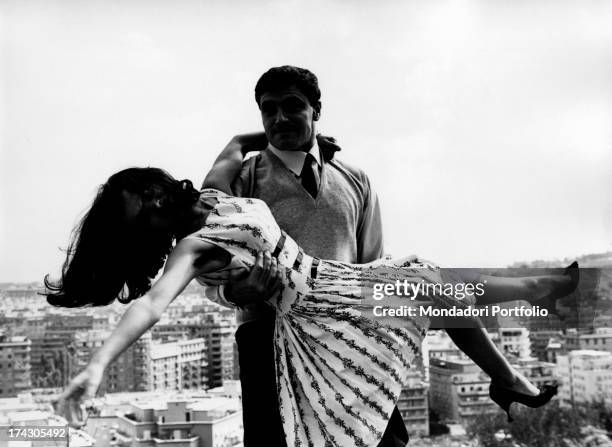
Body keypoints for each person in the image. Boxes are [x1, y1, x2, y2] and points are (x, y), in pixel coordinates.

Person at [48, 137, 577, 446]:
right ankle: (532, 302)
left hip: (333, 280)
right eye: (139, 210)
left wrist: (304, 141)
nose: (150, 201)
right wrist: (95, 368)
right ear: (144, 228)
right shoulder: (193, 246)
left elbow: (238, 141)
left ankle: (513, 359)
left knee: (429, 282)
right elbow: (150, 305)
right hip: (314, 312)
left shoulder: (218, 191)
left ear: (154, 180)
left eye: (141, 190)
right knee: (426, 283)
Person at [201, 65, 408, 446]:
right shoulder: (245, 180)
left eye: (292, 105)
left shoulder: (355, 179)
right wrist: (239, 292)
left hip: (347, 338)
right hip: (269, 340)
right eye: (269, 109)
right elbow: (209, 272)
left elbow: (374, 269)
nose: (279, 118)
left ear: (317, 109)